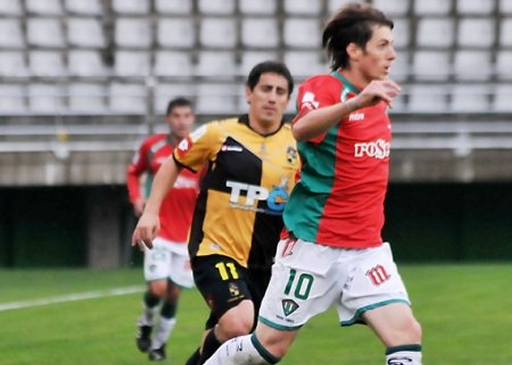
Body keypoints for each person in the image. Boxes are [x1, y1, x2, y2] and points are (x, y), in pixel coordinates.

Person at [203, 3, 423, 365]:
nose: (392, 54)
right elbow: (302, 128)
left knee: (406, 334)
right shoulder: (326, 88)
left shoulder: (376, 99)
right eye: (383, 44)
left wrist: (366, 100)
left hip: (366, 249)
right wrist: (355, 103)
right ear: (354, 49)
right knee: (267, 348)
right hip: (314, 247)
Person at [131, 61, 299, 365]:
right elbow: (174, 161)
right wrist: (150, 212)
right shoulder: (219, 133)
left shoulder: (296, 145)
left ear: (288, 100)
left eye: (280, 91)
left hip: (267, 263)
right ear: (249, 93)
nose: (272, 97)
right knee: (238, 322)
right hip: (216, 250)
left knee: (245, 342)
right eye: (265, 89)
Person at [126, 97, 200, 361]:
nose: (182, 121)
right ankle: (145, 322)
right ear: (168, 119)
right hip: (159, 230)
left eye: (187, 115)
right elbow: (133, 171)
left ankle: (158, 345)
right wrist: (137, 198)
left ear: (193, 119)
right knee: (157, 287)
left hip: (188, 236)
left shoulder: (202, 150)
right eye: (177, 115)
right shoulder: (152, 147)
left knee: (174, 292)